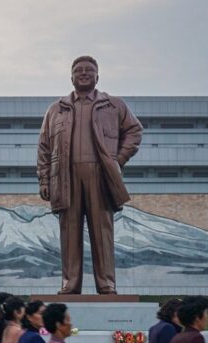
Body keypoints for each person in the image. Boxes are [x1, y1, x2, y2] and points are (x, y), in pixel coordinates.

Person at [38, 55, 142, 294]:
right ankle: (70, 283)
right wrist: (44, 179)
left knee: (102, 231)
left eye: (89, 70)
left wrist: (118, 159)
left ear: (98, 76)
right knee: (69, 231)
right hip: (65, 176)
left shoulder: (114, 105)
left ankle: (106, 283)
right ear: (71, 77)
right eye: (79, 70)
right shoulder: (56, 109)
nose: (84, 73)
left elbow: (135, 131)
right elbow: (44, 146)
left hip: (100, 175)